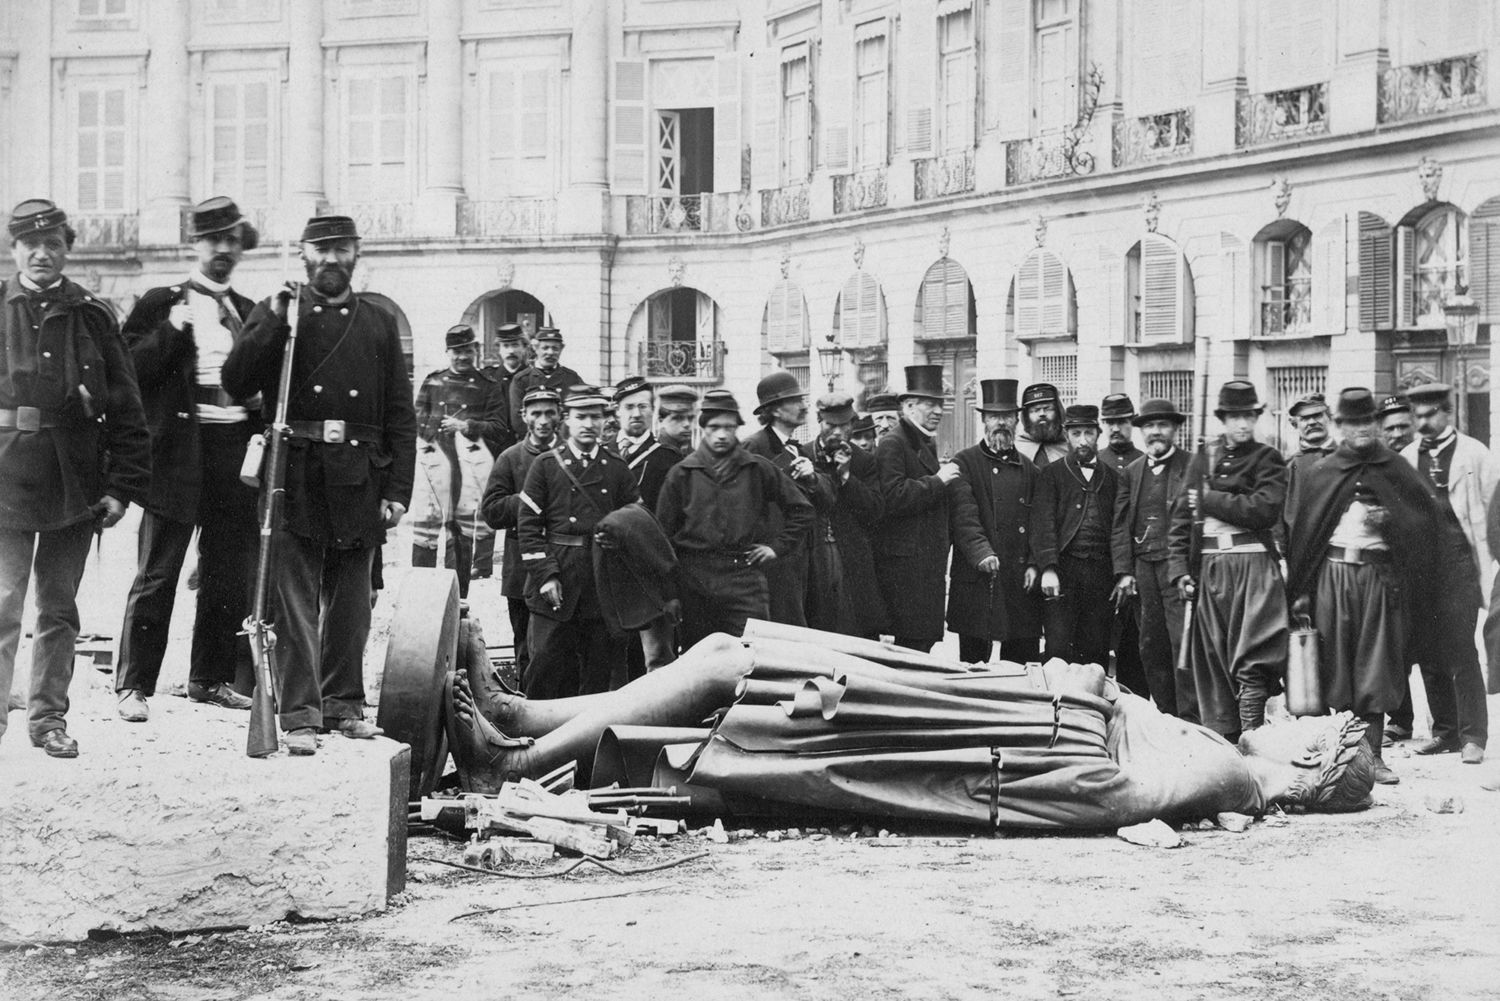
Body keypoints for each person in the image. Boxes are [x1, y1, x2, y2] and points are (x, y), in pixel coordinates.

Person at [447, 627, 1378, 830]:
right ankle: (522, 718)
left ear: (1307, 763)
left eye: (1314, 723)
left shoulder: (1226, 775)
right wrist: (1083, 693)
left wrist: (1081, 694)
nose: (1298, 711)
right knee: (727, 655)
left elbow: (1101, 788)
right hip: (968, 704)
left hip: (956, 724)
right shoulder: (1222, 764)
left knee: (730, 667)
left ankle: (517, 752)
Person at [221, 214, 416, 756]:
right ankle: (300, 713)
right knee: (295, 601)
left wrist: (398, 488)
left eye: (341, 249)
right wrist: (273, 323)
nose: (331, 260)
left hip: (360, 475)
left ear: (356, 253)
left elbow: (401, 412)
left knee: (353, 600)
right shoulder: (280, 310)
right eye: (320, 250)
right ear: (304, 254)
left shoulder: (376, 321)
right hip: (296, 473)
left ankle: (344, 706)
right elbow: (236, 382)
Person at [0, 199, 149, 757]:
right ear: (14, 249)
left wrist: (121, 487)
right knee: (2, 601)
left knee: (59, 606)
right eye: (30, 244)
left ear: (67, 249)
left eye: (53, 244)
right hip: (5, 475)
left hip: (74, 478)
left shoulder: (92, 316)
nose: (42, 253)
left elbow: (128, 409)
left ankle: (48, 720)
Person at [116, 196, 261, 723]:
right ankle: (134, 684)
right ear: (195, 244)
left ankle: (211, 678)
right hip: (178, 454)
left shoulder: (248, 310)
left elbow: (263, 380)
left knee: (227, 572)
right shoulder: (161, 301)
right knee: (159, 571)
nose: (223, 250)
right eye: (213, 240)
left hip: (232, 455)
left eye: (231, 241)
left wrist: (258, 403)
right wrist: (172, 330)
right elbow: (127, 372)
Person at [1285, 388, 1452, 786]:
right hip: (1333, 577)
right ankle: (1341, 755)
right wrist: (1302, 591)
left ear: (1376, 424)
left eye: (1366, 422)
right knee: (1337, 664)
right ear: (1340, 426)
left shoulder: (1395, 467)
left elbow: (1426, 528)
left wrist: (1391, 521)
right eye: (1352, 423)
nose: (1360, 430)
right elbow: (1306, 535)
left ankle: (1373, 757)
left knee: (1377, 665)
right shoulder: (1324, 471)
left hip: (1381, 579)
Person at [1168, 380, 1288, 743]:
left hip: (1251, 565)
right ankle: (1227, 743)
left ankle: (1253, 739)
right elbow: (1180, 521)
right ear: (1223, 419)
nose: (1242, 425)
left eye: (1248, 417)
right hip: (1209, 567)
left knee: (1252, 653)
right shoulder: (1201, 460)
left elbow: (1263, 510)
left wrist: (1210, 499)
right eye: (1235, 417)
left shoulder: (1267, 458)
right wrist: (1178, 572)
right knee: (1212, 659)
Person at [654, 390, 814, 648]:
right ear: (703, 428)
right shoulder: (682, 474)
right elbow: (662, 538)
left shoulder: (757, 468)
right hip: (695, 581)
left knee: (752, 657)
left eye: (728, 427)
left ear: (737, 428)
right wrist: (670, 594)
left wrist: (776, 548)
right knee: (700, 661)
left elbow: (802, 510)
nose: (721, 434)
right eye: (715, 427)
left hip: (744, 579)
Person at [516, 385, 638, 699]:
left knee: (597, 673)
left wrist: (619, 542)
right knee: (544, 667)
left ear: (604, 421)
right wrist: (546, 576)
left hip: (600, 582)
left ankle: (585, 746)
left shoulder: (616, 468)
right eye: (580, 416)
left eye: (595, 417)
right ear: (567, 420)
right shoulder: (545, 465)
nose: (588, 424)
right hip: (557, 578)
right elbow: (528, 527)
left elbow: (636, 519)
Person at [1400, 383, 1491, 764]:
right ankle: (1445, 731)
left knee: (1460, 647)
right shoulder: (1405, 457)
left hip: (1459, 561)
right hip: (1423, 565)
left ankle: (1473, 736)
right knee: (1427, 650)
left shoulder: (1475, 454)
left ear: (1447, 412)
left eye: (1430, 415)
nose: (1422, 423)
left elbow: (1491, 507)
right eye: (1417, 416)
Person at [947, 378, 1043, 665]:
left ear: (1017, 421)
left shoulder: (1030, 470)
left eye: (1007, 417)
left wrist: (1035, 564)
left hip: (1019, 580)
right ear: (984, 421)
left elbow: (1040, 523)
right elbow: (964, 517)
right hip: (979, 576)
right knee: (974, 667)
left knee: (1020, 667)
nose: (1000, 423)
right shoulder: (964, 462)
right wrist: (981, 553)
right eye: (993, 417)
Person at [1111, 398, 1193, 716]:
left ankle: (1191, 720)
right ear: (1141, 431)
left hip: (1178, 570)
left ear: (1174, 430)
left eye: (1163, 425)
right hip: (1144, 569)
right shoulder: (1131, 473)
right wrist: (1124, 571)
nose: (1156, 432)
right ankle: (1167, 716)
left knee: (1183, 645)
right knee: (1151, 646)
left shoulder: (1192, 466)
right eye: (1149, 426)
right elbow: (1120, 527)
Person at [411, 324, 505, 598]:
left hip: (468, 468)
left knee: (461, 531)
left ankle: (456, 598)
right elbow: (416, 420)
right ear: (447, 352)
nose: (462, 357)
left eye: (467, 350)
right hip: (434, 464)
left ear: (476, 350)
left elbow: (499, 428)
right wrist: (433, 432)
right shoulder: (433, 381)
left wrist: (466, 426)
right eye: (456, 351)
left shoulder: (488, 387)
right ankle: (421, 595)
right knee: (425, 528)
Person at [873, 365, 960, 652]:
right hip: (906, 572)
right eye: (930, 404)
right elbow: (892, 497)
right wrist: (937, 481)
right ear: (909, 406)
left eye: (941, 404)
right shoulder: (893, 443)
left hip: (922, 566)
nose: (938, 410)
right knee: (910, 646)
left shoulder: (921, 441)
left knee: (922, 642)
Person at [479, 387, 561, 688]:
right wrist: (528, 500)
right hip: (520, 567)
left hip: (562, 561)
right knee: (526, 646)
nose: (543, 420)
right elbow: (491, 511)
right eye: (536, 413)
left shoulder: (568, 454)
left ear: (560, 416)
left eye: (549, 413)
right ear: (524, 416)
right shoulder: (510, 458)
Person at [1032, 405, 1124, 668]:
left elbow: (1119, 529)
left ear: (1099, 434)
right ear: (1066, 436)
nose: (1083, 440)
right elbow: (1043, 525)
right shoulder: (1051, 474)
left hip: (1101, 575)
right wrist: (1048, 569)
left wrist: (1119, 573)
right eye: (1076, 434)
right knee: (1058, 649)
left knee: (1095, 652)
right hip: (1064, 571)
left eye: (1088, 433)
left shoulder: (1113, 478)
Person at [614, 376, 693, 678]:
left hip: (648, 575)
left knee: (652, 662)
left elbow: (672, 528)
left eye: (643, 407)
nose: (636, 414)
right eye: (629, 407)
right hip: (608, 573)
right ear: (617, 411)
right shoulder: (602, 452)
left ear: (652, 411)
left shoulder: (667, 460)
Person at [742, 370, 832, 628]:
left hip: (803, 560)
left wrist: (812, 477)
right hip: (774, 564)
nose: (804, 407)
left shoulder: (798, 450)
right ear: (776, 411)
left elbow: (827, 500)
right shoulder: (754, 447)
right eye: (796, 401)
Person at [806, 391, 884, 634]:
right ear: (819, 421)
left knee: (852, 627)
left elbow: (875, 511)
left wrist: (847, 477)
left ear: (852, 424)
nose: (838, 433)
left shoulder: (863, 461)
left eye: (844, 425)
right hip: (813, 555)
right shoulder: (803, 455)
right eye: (831, 425)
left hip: (849, 558)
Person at [1097, 393, 1146, 696]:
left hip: (1136, 569)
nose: (1116, 428)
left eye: (1122, 422)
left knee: (1134, 648)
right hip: (1101, 567)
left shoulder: (1143, 462)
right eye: (1110, 422)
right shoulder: (1096, 461)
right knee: (1098, 646)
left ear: (1132, 423)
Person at [507, 327, 581, 436]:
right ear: (535, 348)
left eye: (555, 348)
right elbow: (517, 420)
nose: (550, 352)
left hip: (564, 441)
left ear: (561, 349)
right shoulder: (522, 379)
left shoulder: (571, 378)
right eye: (545, 348)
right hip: (533, 442)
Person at [478, 322, 528, 456]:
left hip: (526, 448)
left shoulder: (534, 377)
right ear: (499, 350)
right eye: (506, 346)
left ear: (524, 348)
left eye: (515, 345)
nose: (511, 351)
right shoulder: (487, 378)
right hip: (494, 449)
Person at [1016, 382, 1068, 467]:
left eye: (1048, 409)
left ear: (1058, 412)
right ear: (1026, 416)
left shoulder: (1070, 445)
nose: (1042, 414)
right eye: (1036, 410)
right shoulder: (1016, 448)